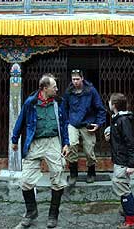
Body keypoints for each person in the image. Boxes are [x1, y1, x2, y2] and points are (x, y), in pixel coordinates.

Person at [11, 74, 69, 229]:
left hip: (53, 142)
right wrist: (14, 139)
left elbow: (64, 124)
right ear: (44, 88)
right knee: (25, 181)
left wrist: (66, 143)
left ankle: (53, 215)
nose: (57, 89)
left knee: (58, 176)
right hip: (34, 143)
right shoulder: (31, 103)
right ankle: (31, 212)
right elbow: (21, 120)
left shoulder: (58, 102)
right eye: (54, 86)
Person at [62, 69, 106, 185]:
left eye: (77, 79)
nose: (75, 81)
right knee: (72, 145)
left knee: (89, 150)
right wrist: (66, 122)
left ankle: (91, 172)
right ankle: (73, 173)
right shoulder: (69, 92)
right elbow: (64, 108)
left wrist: (98, 123)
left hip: (87, 123)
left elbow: (100, 108)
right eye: (73, 79)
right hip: (72, 123)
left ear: (82, 78)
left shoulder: (91, 91)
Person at [104, 93, 134, 229]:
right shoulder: (118, 119)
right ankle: (127, 210)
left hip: (123, 161)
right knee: (122, 186)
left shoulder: (123, 120)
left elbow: (131, 143)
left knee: (122, 188)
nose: (108, 103)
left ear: (114, 105)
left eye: (110, 102)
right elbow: (120, 139)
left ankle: (132, 220)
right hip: (119, 159)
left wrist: (131, 164)